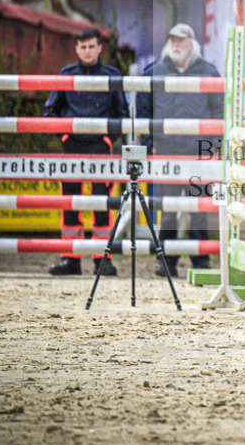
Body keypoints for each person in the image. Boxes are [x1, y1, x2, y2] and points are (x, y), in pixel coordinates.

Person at [136, 23, 223, 278]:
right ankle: (166, 261)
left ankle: (202, 261)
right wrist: (148, 142)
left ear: (191, 42)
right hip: (166, 151)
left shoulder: (209, 73)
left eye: (181, 39)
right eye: (173, 39)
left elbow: (220, 111)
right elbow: (143, 110)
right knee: (168, 209)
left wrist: (216, 145)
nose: (176, 44)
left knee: (199, 209)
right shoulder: (154, 72)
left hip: (199, 152)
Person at [43, 27, 127, 276]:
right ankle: (70, 258)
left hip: (101, 147)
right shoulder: (65, 74)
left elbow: (122, 113)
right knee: (69, 203)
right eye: (83, 47)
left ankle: (103, 259)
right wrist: (65, 136)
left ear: (100, 48)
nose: (87, 51)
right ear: (76, 49)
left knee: (102, 203)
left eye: (91, 46)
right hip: (72, 146)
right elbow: (49, 111)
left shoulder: (112, 75)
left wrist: (107, 138)